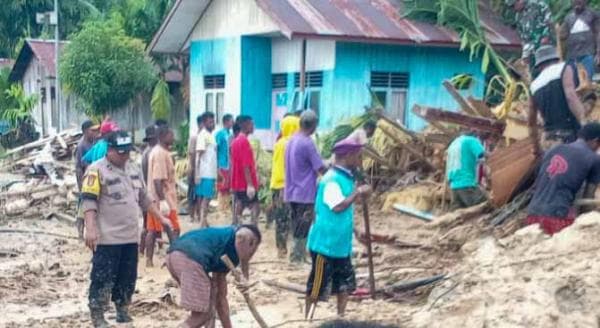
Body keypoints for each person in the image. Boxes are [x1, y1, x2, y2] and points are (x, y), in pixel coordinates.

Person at [81, 131, 170, 327]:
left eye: (127, 152)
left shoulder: (133, 169)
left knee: (127, 276)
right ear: (109, 149)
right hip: (107, 238)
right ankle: (98, 315)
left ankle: (122, 308)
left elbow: (144, 198)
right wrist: (91, 228)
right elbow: (89, 201)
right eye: (120, 152)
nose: (124, 156)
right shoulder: (96, 171)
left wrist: (161, 218)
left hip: (130, 236)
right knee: (103, 277)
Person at [305, 137, 372, 318]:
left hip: (341, 245)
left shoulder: (346, 178)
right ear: (348, 155)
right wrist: (357, 193)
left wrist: (355, 230)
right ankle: (307, 318)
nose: (360, 160)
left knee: (344, 284)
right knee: (317, 286)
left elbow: (345, 213)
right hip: (324, 245)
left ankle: (340, 316)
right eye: (358, 156)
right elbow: (338, 206)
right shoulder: (331, 179)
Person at [166, 225, 261, 328]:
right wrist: (244, 273)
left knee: (210, 300)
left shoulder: (224, 245)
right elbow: (242, 235)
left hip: (173, 257)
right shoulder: (238, 237)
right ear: (252, 242)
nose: (252, 253)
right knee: (203, 315)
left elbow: (220, 298)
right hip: (190, 259)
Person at [526, 122, 600, 235]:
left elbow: (539, 181)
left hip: (532, 216)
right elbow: (587, 200)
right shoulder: (594, 159)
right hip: (557, 218)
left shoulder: (553, 149)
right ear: (596, 141)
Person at [284, 110, 326, 263]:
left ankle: (296, 255)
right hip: (305, 191)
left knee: (296, 224)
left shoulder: (291, 140)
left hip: (292, 190)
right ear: (313, 125)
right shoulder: (307, 142)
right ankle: (297, 257)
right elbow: (320, 167)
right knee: (304, 224)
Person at [529, 45, 586, 151]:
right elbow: (570, 96)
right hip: (570, 133)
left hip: (549, 139)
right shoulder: (564, 68)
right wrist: (584, 124)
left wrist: (536, 147)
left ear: (539, 65)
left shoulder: (534, 85)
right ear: (556, 59)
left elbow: (531, 121)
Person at [145, 125, 181, 267]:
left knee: (153, 230)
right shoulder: (160, 154)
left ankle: (149, 261)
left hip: (154, 198)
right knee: (174, 229)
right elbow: (157, 179)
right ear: (163, 136)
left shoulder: (159, 152)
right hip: (163, 198)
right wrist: (163, 201)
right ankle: (174, 258)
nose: (173, 137)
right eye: (171, 135)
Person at [270, 114, 300, 258]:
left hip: (278, 185)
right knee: (284, 218)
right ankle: (282, 250)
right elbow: (286, 167)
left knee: (281, 218)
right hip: (285, 185)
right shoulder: (288, 144)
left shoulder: (279, 142)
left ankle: (281, 249)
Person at [560, 0, 600, 81]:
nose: (577, 2)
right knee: (576, 84)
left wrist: (598, 53)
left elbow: (598, 33)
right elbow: (562, 38)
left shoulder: (592, 14)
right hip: (572, 58)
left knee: (586, 83)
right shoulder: (568, 18)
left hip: (588, 55)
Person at [230, 115, 260, 225]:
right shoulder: (244, 142)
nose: (253, 126)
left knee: (240, 203)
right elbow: (246, 165)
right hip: (245, 181)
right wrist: (250, 184)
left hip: (238, 181)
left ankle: (236, 223)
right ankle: (252, 226)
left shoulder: (235, 141)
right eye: (251, 124)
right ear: (245, 125)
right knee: (255, 206)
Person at [446, 132, 487, 209]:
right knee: (484, 208)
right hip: (466, 184)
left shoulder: (453, 144)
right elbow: (482, 154)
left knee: (459, 216)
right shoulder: (472, 140)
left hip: (454, 186)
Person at [75, 120, 99, 239]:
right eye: (92, 130)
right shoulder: (82, 145)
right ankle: (80, 230)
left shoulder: (93, 143)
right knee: (83, 205)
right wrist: (81, 185)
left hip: (92, 178)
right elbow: (80, 166)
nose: (94, 132)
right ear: (85, 131)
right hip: (85, 178)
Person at [195, 112, 218, 227]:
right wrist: (197, 173)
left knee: (207, 197)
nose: (212, 124)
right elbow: (198, 155)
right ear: (204, 123)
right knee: (206, 197)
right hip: (205, 172)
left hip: (211, 172)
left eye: (213, 121)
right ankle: (202, 220)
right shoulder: (202, 135)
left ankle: (204, 220)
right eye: (209, 122)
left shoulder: (211, 136)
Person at [139, 125, 158, 255]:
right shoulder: (152, 153)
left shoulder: (145, 152)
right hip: (150, 193)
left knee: (147, 224)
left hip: (145, 191)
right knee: (150, 227)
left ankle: (141, 250)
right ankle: (147, 255)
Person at [215, 114, 234, 211]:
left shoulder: (230, 134)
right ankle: (221, 208)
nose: (233, 123)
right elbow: (216, 149)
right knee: (222, 187)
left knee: (228, 187)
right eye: (231, 121)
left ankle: (226, 208)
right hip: (222, 164)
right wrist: (217, 166)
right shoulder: (220, 134)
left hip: (229, 165)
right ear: (226, 122)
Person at [187, 115, 204, 221]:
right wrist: (193, 170)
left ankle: (199, 214)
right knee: (192, 193)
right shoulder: (194, 138)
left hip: (202, 170)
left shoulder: (205, 137)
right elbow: (192, 154)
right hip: (194, 169)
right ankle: (192, 215)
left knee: (200, 193)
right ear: (200, 124)